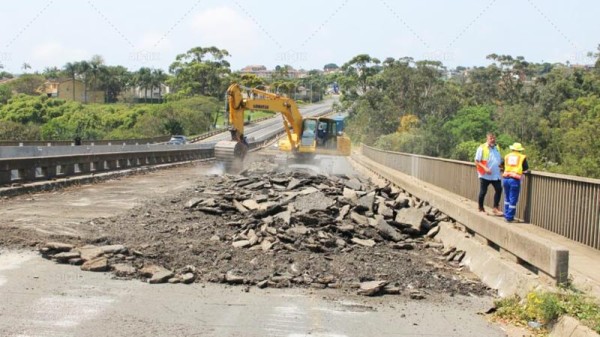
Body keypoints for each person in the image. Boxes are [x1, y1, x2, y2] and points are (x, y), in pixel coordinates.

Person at [474, 133, 504, 216]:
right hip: (485, 174)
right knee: (483, 191)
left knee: (499, 189)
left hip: (495, 174)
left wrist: (501, 166)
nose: (493, 140)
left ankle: (495, 208)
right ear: (487, 139)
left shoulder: (497, 148)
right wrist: (485, 168)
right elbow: (477, 161)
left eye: (494, 138)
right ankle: (480, 208)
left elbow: (497, 159)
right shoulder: (482, 148)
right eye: (491, 138)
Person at [502, 142, 529, 223]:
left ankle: (506, 214)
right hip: (514, 179)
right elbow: (525, 168)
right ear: (519, 150)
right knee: (513, 199)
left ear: (512, 149)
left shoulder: (507, 156)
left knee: (507, 198)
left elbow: (502, 165)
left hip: (506, 178)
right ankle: (509, 217)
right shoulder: (521, 157)